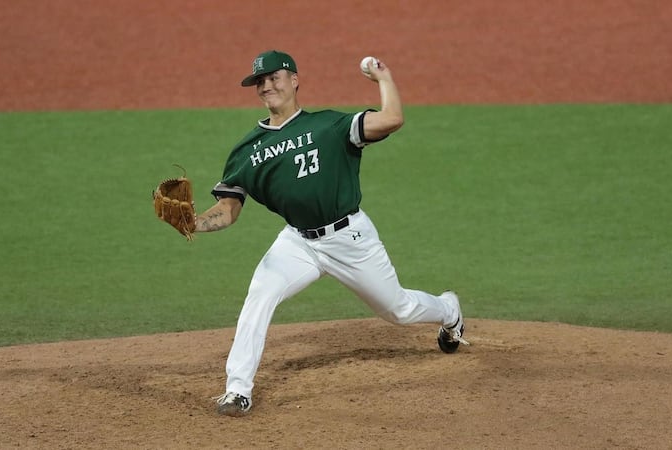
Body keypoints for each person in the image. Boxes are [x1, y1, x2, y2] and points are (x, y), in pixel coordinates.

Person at [193, 50, 468, 417]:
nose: (267, 86)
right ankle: (237, 390)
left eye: (274, 77)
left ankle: (448, 309)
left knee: (398, 310)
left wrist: (384, 79)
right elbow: (228, 210)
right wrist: (194, 223)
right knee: (260, 293)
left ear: (294, 80)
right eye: (260, 81)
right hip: (298, 242)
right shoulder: (246, 150)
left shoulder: (328, 126)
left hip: (350, 238)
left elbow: (392, 119)